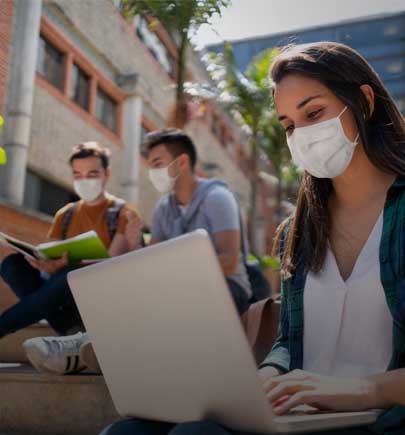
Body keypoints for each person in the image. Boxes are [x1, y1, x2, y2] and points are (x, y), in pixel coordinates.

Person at [99, 42, 405, 435]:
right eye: (290, 125)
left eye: (314, 113)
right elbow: (289, 340)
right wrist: (265, 375)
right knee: (126, 432)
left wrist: (361, 390)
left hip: (375, 417)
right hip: (296, 413)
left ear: (364, 102)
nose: (302, 135)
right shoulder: (299, 230)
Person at [0, 141, 143, 373]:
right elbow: (51, 257)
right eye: (78, 174)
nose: (84, 180)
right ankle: (72, 334)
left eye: (92, 174)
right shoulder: (65, 215)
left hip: (101, 300)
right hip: (63, 301)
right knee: (11, 265)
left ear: (106, 174)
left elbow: (111, 264)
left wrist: (68, 268)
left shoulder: (124, 213)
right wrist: (46, 263)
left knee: (70, 274)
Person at [136, 128, 252, 315]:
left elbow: (229, 263)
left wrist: (174, 271)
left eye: (158, 164)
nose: (153, 173)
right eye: (150, 166)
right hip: (180, 287)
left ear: (182, 161)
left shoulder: (217, 198)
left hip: (229, 286)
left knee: (179, 303)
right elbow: (153, 263)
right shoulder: (162, 208)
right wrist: (135, 240)